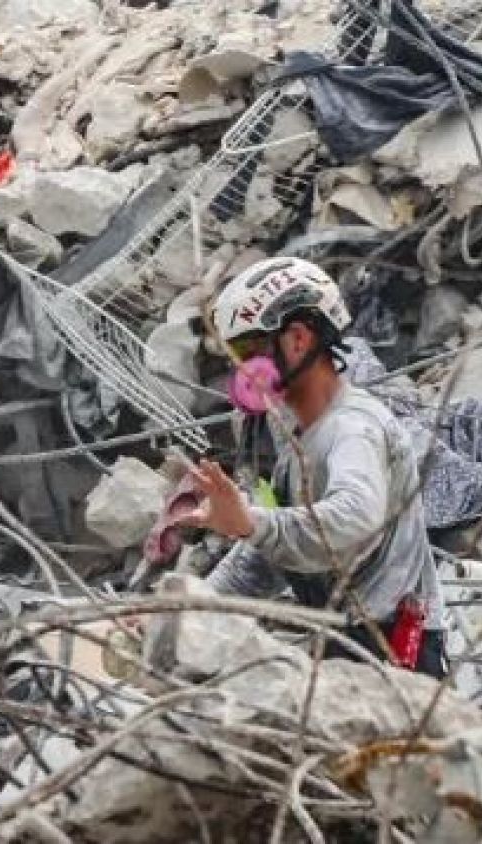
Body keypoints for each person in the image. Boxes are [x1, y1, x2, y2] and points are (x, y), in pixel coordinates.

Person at [176, 257, 448, 679]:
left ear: (298, 339)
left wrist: (251, 523)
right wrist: (184, 615)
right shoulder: (291, 435)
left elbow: (357, 514)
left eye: (249, 351)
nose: (241, 371)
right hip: (342, 642)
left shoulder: (353, 429)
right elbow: (265, 558)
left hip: (397, 650)